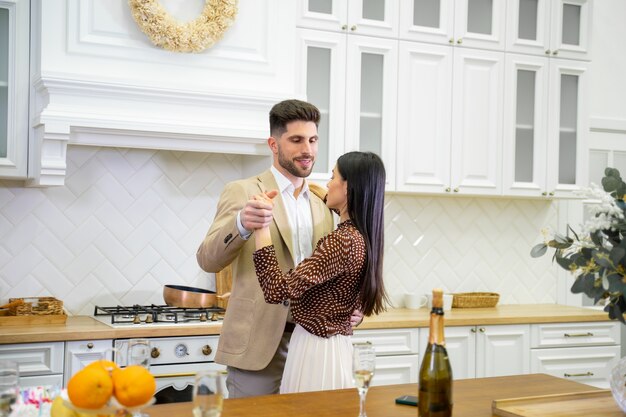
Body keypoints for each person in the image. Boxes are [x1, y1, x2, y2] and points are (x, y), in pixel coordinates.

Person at [196, 99, 362, 398]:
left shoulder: (323, 203)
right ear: (274, 144)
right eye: (296, 140)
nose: (307, 150)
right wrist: (242, 224)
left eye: (312, 140)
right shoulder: (244, 191)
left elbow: (337, 268)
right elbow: (207, 259)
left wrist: (353, 306)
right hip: (256, 344)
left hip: (311, 343)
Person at [251, 151, 388, 393]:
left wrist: (261, 229)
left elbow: (276, 290)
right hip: (334, 348)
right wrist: (327, 197)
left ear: (348, 187)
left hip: (316, 351)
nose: (327, 183)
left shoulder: (341, 242)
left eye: (333, 177)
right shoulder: (362, 236)